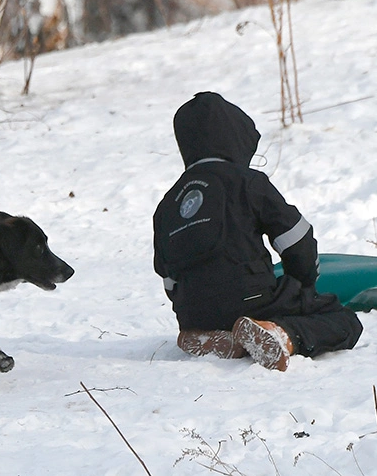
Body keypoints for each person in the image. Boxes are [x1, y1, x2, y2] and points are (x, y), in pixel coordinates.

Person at [152, 92, 363, 370]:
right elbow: (296, 239)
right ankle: (279, 335)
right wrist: (302, 286)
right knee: (343, 320)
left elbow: (168, 278)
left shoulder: (168, 204)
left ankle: (219, 338)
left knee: (216, 311)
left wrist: (192, 304)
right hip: (252, 299)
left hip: (193, 312)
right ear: (235, 138)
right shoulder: (247, 182)